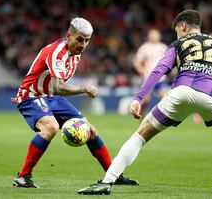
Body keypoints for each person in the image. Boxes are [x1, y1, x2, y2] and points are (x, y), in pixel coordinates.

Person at [77, 10, 212, 195]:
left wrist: (139, 98)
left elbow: (158, 70)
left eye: (177, 30)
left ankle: (107, 182)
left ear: (182, 26)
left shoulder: (178, 44)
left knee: (140, 135)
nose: (177, 34)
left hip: (179, 93)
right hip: (210, 95)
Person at [12, 17, 138, 188]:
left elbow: (52, 87)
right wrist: (84, 88)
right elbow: (58, 87)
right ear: (69, 35)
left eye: (87, 41)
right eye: (79, 39)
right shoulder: (57, 52)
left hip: (50, 97)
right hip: (32, 95)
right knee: (51, 127)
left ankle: (113, 175)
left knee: (90, 130)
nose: (83, 44)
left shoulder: (75, 55)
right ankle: (23, 176)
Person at [133, 29, 169, 116]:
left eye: (156, 35)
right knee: (146, 99)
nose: (154, 36)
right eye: (152, 35)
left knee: (164, 98)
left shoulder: (163, 47)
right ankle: (140, 116)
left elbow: (169, 61)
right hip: (148, 77)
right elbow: (137, 61)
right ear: (149, 36)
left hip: (161, 78)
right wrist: (141, 70)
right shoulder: (145, 48)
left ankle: (160, 118)